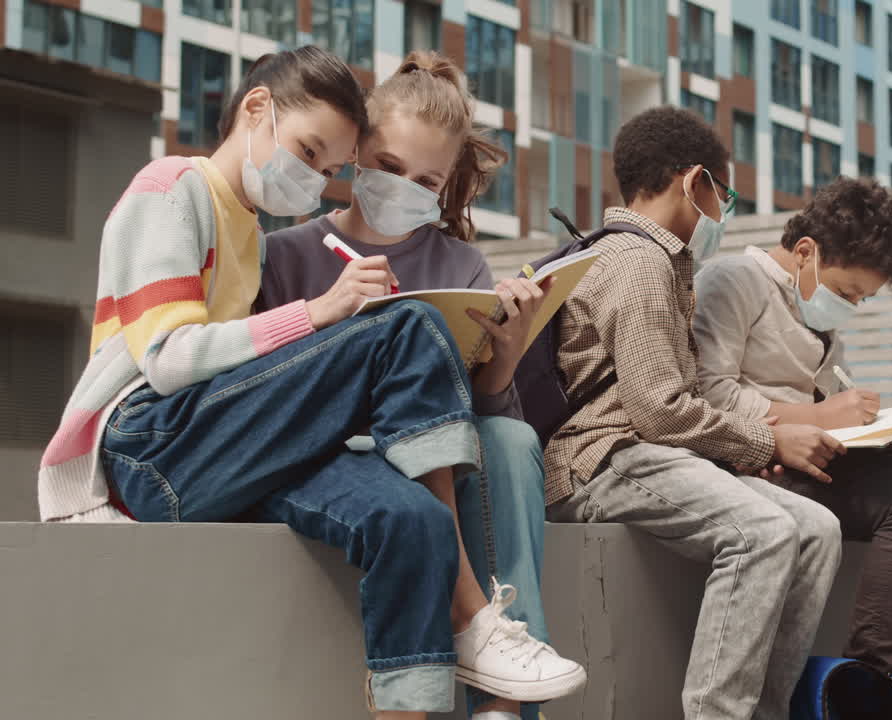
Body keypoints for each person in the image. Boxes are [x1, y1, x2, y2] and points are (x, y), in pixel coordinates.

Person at [37, 46, 544, 719]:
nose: (311, 179)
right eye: (308, 153)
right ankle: (472, 618)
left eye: (326, 168)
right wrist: (322, 314)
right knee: (405, 327)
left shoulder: (246, 229)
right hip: (148, 442)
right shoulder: (169, 187)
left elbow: (253, 387)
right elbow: (166, 357)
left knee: (413, 520)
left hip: (228, 447)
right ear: (256, 108)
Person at [255, 50, 583, 720]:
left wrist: (506, 353)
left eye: (424, 179)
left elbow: (487, 416)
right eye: (387, 168)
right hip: (336, 454)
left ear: (446, 186)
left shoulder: (458, 260)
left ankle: (502, 699)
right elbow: (263, 391)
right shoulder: (288, 254)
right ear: (356, 154)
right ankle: (489, 663)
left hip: (440, 455)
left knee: (513, 436)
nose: (402, 187)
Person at [543, 106, 845, 720]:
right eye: (722, 192)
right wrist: (766, 445)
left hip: (652, 457)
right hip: (602, 458)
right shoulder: (638, 260)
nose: (722, 210)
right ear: (694, 180)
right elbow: (659, 412)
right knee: (761, 532)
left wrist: (741, 450)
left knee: (818, 530)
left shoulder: (659, 259)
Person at [691, 176, 892, 678]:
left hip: (817, 455)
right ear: (806, 251)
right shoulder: (733, 280)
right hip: (756, 463)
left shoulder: (814, 310)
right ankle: (873, 686)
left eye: (861, 300)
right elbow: (708, 393)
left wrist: (866, 421)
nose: (851, 307)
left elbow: (818, 404)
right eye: (849, 292)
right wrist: (820, 415)